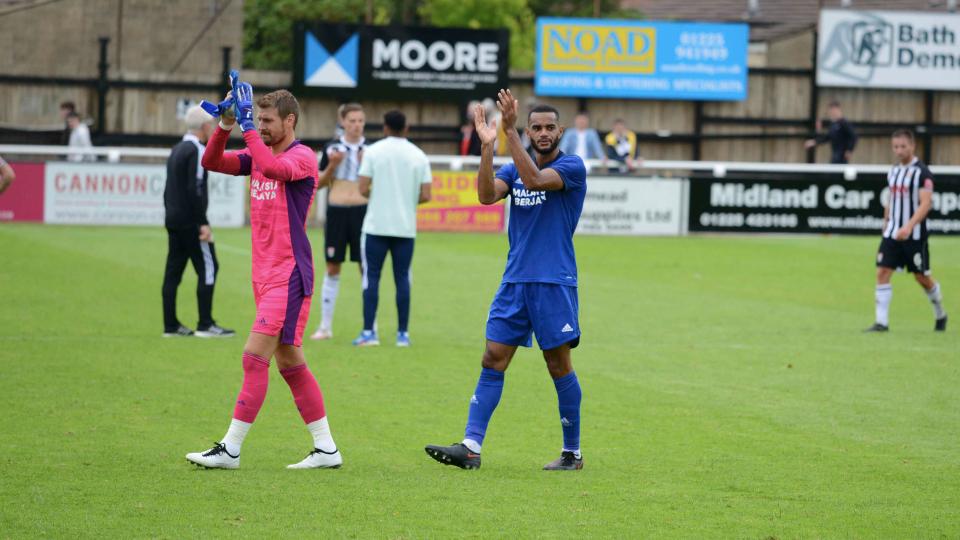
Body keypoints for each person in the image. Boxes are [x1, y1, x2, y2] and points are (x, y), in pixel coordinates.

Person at [424, 89, 587, 471]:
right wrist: (486, 148)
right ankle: (470, 446)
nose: (543, 133)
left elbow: (533, 181)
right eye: (536, 128)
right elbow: (484, 195)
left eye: (549, 127)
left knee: (557, 365)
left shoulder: (572, 167)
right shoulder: (512, 166)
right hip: (514, 282)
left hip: (553, 282)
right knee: (492, 358)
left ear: (560, 131)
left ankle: (572, 453)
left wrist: (509, 132)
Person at [187, 78, 342, 469]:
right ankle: (326, 449)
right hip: (266, 273)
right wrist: (225, 124)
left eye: (268, 120)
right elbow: (211, 162)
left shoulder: (303, 157)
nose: (260, 125)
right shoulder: (259, 152)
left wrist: (249, 130)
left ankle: (231, 448)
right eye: (258, 118)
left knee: (254, 358)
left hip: (289, 273)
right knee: (289, 361)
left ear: (290, 121)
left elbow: (273, 168)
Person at [352, 110, 432, 347]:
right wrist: (406, 201)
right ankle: (402, 335)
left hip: (376, 226)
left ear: (385, 128)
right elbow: (426, 195)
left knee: (371, 278)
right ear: (406, 128)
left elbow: (363, 188)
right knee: (403, 279)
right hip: (405, 228)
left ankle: (369, 333)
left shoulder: (373, 152)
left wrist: (379, 196)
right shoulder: (419, 155)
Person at [161, 105, 234, 338]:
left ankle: (170, 326)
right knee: (209, 266)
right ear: (204, 127)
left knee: (173, 272)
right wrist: (202, 222)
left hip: (173, 219)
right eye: (210, 125)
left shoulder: (176, 149)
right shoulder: (197, 151)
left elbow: (169, 189)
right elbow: (196, 188)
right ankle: (205, 324)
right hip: (191, 222)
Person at [866, 129, 947, 333]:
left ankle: (940, 312)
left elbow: (925, 203)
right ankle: (881, 323)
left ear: (912, 146)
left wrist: (909, 226)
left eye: (903, 146)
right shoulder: (893, 170)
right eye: (895, 147)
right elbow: (892, 198)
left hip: (914, 235)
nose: (899, 150)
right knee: (882, 272)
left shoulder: (922, 172)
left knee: (922, 277)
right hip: (893, 232)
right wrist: (887, 220)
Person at [310, 103, 366, 341]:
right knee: (333, 266)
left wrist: (365, 164)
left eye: (360, 121)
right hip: (337, 213)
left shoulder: (371, 150)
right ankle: (325, 326)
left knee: (366, 268)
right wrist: (333, 165)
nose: (356, 125)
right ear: (343, 121)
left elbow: (377, 183)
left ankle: (368, 327)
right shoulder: (332, 148)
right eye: (352, 120)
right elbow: (318, 183)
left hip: (363, 213)